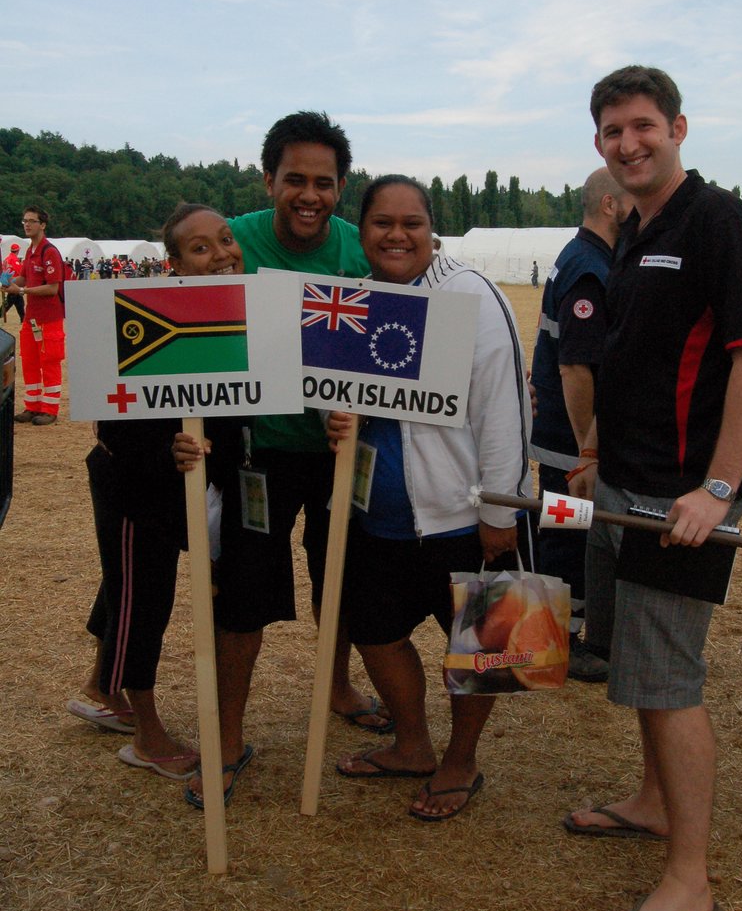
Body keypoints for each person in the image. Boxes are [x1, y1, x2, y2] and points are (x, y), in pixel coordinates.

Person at [563, 67, 742, 911]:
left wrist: (719, 489)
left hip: (682, 496)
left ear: (678, 127)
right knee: (640, 667)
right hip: (628, 482)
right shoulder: (635, 225)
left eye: (643, 127)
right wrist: (598, 446)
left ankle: (689, 881)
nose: (628, 144)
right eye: (612, 132)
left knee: (669, 679)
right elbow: (638, 355)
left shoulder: (720, 221)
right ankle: (653, 804)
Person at [175, 111, 389, 809]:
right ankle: (228, 738)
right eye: (293, 179)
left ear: (341, 187)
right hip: (255, 454)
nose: (309, 195)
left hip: (337, 455)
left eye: (323, 183)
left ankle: (336, 686)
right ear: (269, 179)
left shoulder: (362, 252)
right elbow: (184, 316)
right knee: (242, 600)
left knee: (342, 581)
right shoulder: (233, 238)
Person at [331, 175, 534, 821]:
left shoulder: (471, 295)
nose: (396, 235)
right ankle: (413, 745)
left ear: (431, 228)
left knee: (484, 650)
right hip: (377, 518)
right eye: (381, 223)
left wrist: (500, 513)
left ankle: (461, 760)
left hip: (465, 518)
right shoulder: (353, 301)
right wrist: (335, 420)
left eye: (410, 222)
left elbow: (506, 412)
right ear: (359, 232)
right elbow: (336, 395)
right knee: (374, 631)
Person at [67, 204, 244, 780]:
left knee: (128, 587)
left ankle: (100, 687)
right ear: (173, 264)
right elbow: (112, 425)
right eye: (200, 248)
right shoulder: (135, 317)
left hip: (191, 486)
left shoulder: (243, 309)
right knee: (142, 601)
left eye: (225, 239)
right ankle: (146, 734)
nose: (220, 254)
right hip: (134, 486)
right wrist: (165, 451)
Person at [529, 168, 629, 681]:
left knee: (572, 535)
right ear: (611, 204)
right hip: (569, 444)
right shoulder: (590, 269)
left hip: (566, 440)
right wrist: (589, 448)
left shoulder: (584, 257)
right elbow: (575, 367)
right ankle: (561, 645)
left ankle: (566, 637)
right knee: (568, 538)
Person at [3, 206, 65, 425]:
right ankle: (32, 405)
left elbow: (52, 288)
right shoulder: (30, 251)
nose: (27, 224)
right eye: (24, 221)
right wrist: (8, 284)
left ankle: (49, 408)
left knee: (49, 361)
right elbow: (22, 278)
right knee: (29, 361)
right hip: (32, 318)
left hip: (50, 318)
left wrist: (21, 291)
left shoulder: (49, 252)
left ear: (43, 225)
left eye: (32, 221)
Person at [2, 243, 25, 322]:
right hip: (14, 283)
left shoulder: (6, 259)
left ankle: (23, 318)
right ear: (17, 250)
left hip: (6, 281)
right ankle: (23, 318)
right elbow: (20, 271)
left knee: (19, 302)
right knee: (10, 301)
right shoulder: (14, 259)